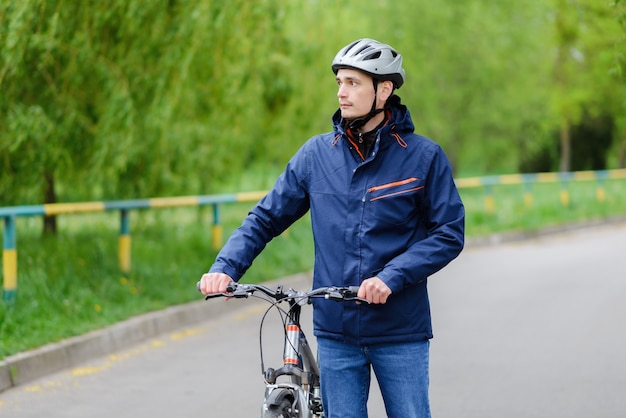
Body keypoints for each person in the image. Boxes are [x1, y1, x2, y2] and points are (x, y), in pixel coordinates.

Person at [199, 38, 465, 418]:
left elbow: (448, 233)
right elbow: (266, 217)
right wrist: (225, 268)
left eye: (354, 83)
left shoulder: (423, 157)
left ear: (384, 90)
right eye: (339, 82)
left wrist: (391, 277)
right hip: (336, 332)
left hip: (399, 330)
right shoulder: (315, 155)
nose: (342, 92)